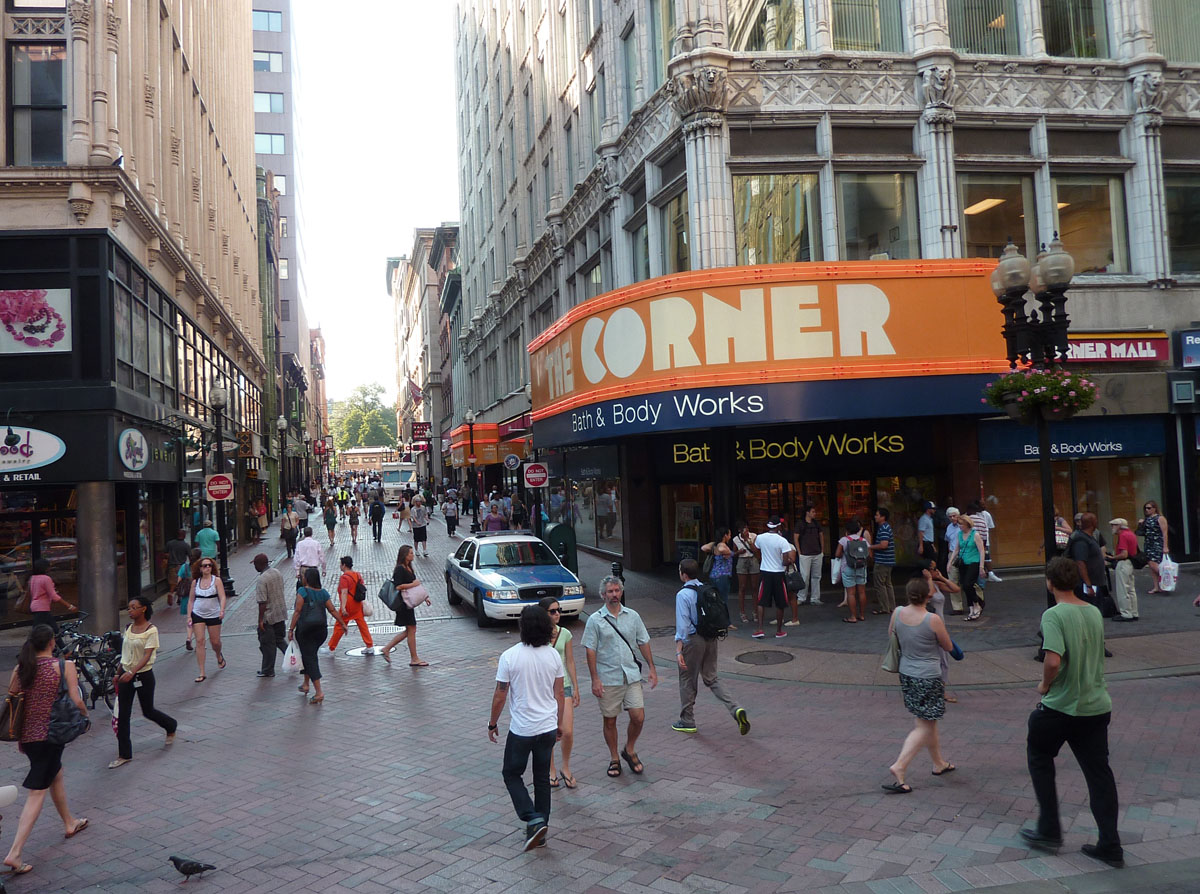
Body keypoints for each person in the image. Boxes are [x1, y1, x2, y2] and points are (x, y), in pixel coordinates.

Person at [1020, 557, 1123, 867]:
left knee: (1039, 757)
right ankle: (1110, 843)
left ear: (1050, 583)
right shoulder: (1093, 611)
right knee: (1099, 774)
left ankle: (1049, 829)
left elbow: (1053, 660)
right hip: (1095, 705)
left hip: (1061, 706)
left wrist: (1044, 685)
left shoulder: (1053, 615)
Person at [3, 624, 89, 876]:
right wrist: (84, 716)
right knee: (37, 792)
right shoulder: (64, 666)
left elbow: (12, 696)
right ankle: (15, 852)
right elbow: (76, 699)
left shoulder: (22, 668)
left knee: (56, 773)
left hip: (28, 738)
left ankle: (69, 822)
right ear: (52, 642)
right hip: (51, 735)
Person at [488, 604, 564, 851]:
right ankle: (540, 829)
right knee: (542, 777)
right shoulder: (553, 655)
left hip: (522, 729)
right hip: (547, 726)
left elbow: (501, 694)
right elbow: (559, 692)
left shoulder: (510, 656)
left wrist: (492, 723)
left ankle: (532, 818)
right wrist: (559, 722)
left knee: (511, 773)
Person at [882, 578, 956, 794]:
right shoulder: (932, 619)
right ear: (928, 596)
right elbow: (948, 645)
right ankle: (900, 766)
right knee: (924, 725)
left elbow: (891, 635)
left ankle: (939, 763)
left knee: (927, 721)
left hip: (907, 673)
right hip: (928, 676)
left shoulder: (897, 613)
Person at [582, 575, 657, 778]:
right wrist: (595, 679)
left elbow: (643, 641)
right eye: (610, 592)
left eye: (617, 591)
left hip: (631, 675)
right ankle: (614, 757)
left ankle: (629, 749)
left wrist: (651, 667)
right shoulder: (595, 620)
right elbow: (590, 650)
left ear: (621, 592)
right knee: (610, 720)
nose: (614, 595)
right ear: (602, 595)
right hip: (608, 677)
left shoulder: (633, 616)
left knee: (638, 716)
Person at [672, 558, 750, 736]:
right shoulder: (706, 589)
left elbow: (682, 626)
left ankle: (687, 720)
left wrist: (678, 650)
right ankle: (735, 708)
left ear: (683, 575)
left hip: (693, 640)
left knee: (687, 679)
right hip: (711, 638)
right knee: (712, 678)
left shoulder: (682, 595)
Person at [109, 596, 177, 769]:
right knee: (123, 714)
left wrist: (132, 672)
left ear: (143, 609)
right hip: (126, 674)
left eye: (133, 607)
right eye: (129, 607)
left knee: (148, 711)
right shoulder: (128, 628)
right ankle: (124, 754)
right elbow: (125, 654)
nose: (130, 610)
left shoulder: (151, 630)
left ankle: (170, 725)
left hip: (143, 676)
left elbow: (147, 656)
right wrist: (119, 673)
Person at [288, 567, 346, 704]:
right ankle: (305, 684)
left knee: (310, 658)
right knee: (309, 655)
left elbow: (297, 611)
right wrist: (342, 623)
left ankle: (319, 692)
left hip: (305, 630)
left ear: (307, 579)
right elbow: (332, 609)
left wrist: (291, 629)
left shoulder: (302, 592)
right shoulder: (324, 593)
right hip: (321, 631)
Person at [538, 596, 579, 790]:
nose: (557, 614)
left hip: (565, 687)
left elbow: (570, 661)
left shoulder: (566, 634)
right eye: (553, 611)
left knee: (567, 731)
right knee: (550, 732)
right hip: (544, 689)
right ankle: (551, 769)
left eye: (558, 610)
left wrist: (576, 687)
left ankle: (566, 766)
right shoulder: (537, 636)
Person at [917, 559, 961, 703]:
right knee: (935, 660)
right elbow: (928, 595)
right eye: (933, 569)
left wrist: (941, 577)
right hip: (928, 628)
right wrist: (929, 579)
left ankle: (939, 690)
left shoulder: (937, 584)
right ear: (925, 571)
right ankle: (936, 691)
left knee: (943, 660)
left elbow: (956, 589)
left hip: (940, 626)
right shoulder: (920, 586)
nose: (935, 571)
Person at [382, 545, 432, 666]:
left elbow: (414, 584)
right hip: (403, 604)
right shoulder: (400, 569)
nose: (412, 555)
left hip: (408, 603)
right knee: (411, 629)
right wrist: (413, 584)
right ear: (405, 555)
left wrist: (425, 597)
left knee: (410, 630)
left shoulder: (408, 567)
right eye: (410, 553)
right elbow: (398, 586)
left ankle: (387, 649)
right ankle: (414, 658)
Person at [751, 516, 795, 639]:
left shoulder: (760, 537)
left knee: (761, 601)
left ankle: (760, 628)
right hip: (778, 573)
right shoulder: (782, 541)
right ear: (778, 526)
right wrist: (789, 561)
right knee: (780, 602)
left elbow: (755, 548)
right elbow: (785, 561)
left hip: (765, 572)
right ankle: (779, 631)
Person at [186, 556, 227, 682]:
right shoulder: (195, 582)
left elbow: (222, 597)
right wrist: (189, 616)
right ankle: (202, 672)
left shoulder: (217, 581)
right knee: (200, 641)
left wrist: (222, 609)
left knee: (215, 642)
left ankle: (218, 655)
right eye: (204, 565)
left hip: (214, 614)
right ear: (200, 568)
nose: (207, 567)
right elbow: (191, 600)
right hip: (198, 613)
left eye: (209, 565)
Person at [329, 556, 373, 653]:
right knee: (362, 624)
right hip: (357, 603)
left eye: (341, 564)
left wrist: (343, 607)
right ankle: (369, 645)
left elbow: (344, 592)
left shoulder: (344, 578)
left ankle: (331, 647)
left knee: (340, 624)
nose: (340, 566)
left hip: (348, 604)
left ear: (344, 565)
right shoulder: (357, 575)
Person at [254, 553, 289, 677]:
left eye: (255, 564)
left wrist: (260, 621)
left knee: (267, 644)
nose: (254, 567)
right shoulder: (276, 572)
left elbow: (262, 602)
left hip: (269, 616)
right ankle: (295, 660)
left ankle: (268, 670)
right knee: (280, 640)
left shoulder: (262, 579)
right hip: (280, 612)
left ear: (259, 564)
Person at [1067, 513, 1108, 611]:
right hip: (1087, 583)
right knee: (1089, 609)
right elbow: (1080, 563)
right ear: (1093, 523)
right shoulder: (1081, 540)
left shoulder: (1089, 537)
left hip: (1095, 582)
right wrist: (1088, 585)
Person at [949, 514, 986, 621]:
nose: (960, 526)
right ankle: (971, 609)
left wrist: (981, 566)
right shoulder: (960, 534)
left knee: (968, 584)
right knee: (965, 587)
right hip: (963, 562)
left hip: (973, 562)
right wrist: (950, 562)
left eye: (961, 524)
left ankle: (977, 603)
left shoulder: (975, 535)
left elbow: (981, 550)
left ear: (967, 524)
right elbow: (956, 549)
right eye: (959, 524)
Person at [835, 520, 872, 623]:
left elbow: (837, 554)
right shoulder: (863, 540)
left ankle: (853, 616)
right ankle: (862, 615)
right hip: (861, 567)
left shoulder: (843, 540)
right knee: (862, 592)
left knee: (851, 593)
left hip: (848, 568)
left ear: (847, 530)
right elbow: (869, 555)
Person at [700, 527, 736, 631]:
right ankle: (726, 622)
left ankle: (715, 621)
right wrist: (726, 552)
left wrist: (714, 550)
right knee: (722, 600)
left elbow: (704, 548)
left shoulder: (713, 544)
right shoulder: (721, 545)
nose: (730, 536)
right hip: (722, 576)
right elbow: (721, 549)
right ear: (725, 535)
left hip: (713, 575)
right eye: (729, 534)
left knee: (715, 599)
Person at [27, 559, 77, 633]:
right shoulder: (46, 579)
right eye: (49, 567)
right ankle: (32, 644)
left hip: (35, 606)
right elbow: (54, 596)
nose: (50, 568)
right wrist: (69, 605)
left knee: (52, 630)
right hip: (42, 607)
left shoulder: (33, 578)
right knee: (41, 631)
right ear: (45, 568)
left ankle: (60, 644)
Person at [1106, 518, 1139, 622]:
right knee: (1131, 589)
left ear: (1119, 526)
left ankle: (1126, 613)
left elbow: (1124, 554)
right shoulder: (1131, 534)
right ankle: (1134, 612)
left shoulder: (1123, 536)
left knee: (1122, 589)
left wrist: (1112, 558)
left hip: (1123, 563)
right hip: (1131, 563)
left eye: (1114, 525)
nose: (1112, 527)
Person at [793, 504, 824, 609]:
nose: (814, 513)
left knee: (816, 576)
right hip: (806, 554)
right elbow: (796, 537)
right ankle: (802, 597)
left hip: (816, 553)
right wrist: (800, 552)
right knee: (805, 576)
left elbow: (821, 536)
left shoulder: (816, 523)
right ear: (807, 512)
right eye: (813, 512)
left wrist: (822, 550)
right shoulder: (801, 524)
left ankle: (814, 598)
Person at [1139, 499, 1169, 594]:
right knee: (1151, 565)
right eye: (1145, 508)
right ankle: (1157, 586)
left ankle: (1167, 578)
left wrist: (1165, 546)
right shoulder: (1147, 519)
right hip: (1148, 543)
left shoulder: (1160, 518)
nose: (1147, 510)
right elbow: (1140, 532)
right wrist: (1141, 524)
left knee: (1153, 563)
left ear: (1154, 508)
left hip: (1157, 543)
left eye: (1149, 508)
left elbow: (1165, 533)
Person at [870, 508, 896, 615]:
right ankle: (891, 606)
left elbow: (884, 544)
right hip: (888, 560)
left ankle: (885, 607)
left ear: (883, 517)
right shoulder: (886, 527)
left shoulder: (884, 528)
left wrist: (871, 547)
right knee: (887, 584)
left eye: (877, 515)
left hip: (883, 560)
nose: (875, 517)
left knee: (880, 584)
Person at [732, 523, 758, 625]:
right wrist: (739, 552)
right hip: (742, 560)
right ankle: (742, 612)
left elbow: (756, 550)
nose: (746, 531)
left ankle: (755, 611)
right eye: (743, 529)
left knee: (755, 586)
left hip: (753, 559)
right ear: (739, 530)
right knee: (742, 587)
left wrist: (748, 540)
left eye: (747, 528)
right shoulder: (735, 539)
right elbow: (734, 553)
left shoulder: (754, 536)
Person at [942, 507, 963, 612]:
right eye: (950, 517)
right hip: (952, 554)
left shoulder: (964, 526)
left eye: (954, 516)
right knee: (953, 580)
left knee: (968, 580)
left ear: (958, 515)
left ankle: (975, 603)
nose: (952, 518)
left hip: (963, 554)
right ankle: (957, 607)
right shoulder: (949, 527)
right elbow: (948, 541)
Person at [165, 529, 191, 606]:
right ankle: (179, 597)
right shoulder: (186, 545)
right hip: (181, 566)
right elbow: (190, 556)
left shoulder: (170, 543)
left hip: (172, 565)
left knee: (173, 583)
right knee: (181, 583)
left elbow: (165, 554)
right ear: (184, 535)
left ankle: (171, 593)